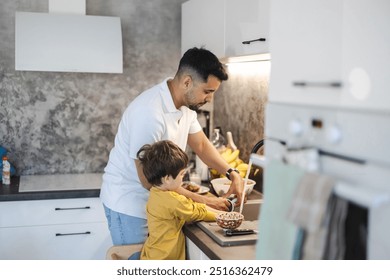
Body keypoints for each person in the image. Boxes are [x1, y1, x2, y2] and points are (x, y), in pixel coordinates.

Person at [100, 47, 244, 246]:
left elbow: (201, 145)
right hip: (131, 205)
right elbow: (149, 181)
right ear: (187, 82)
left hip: (159, 203)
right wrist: (204, 201)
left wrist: (232, 172)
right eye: (207, 91)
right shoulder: (149, 113)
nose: (209, 98)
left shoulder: (185, 106)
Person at [136, 140, 218, 260]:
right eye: (181, 175)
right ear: (167, 178)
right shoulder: (171, 200)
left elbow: (188, 205)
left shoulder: (156, 192)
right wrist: (222, 216)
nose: (183, 178)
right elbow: (197, 212)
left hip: (152, 254)